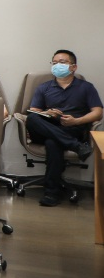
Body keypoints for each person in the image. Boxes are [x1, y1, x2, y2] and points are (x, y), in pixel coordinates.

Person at [26, 50, 102, 207]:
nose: (57, 66)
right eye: (54, 63)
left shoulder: (86, 87)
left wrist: (76, 121)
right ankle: (77, 147)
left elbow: (97, 112)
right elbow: (34, 110)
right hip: (47, 127)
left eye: (62, 62)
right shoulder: (44, 87)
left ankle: (51, 193)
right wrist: (48, 113)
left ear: (73, 67)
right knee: (32, 118)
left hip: (73, 128)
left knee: (53, 143)